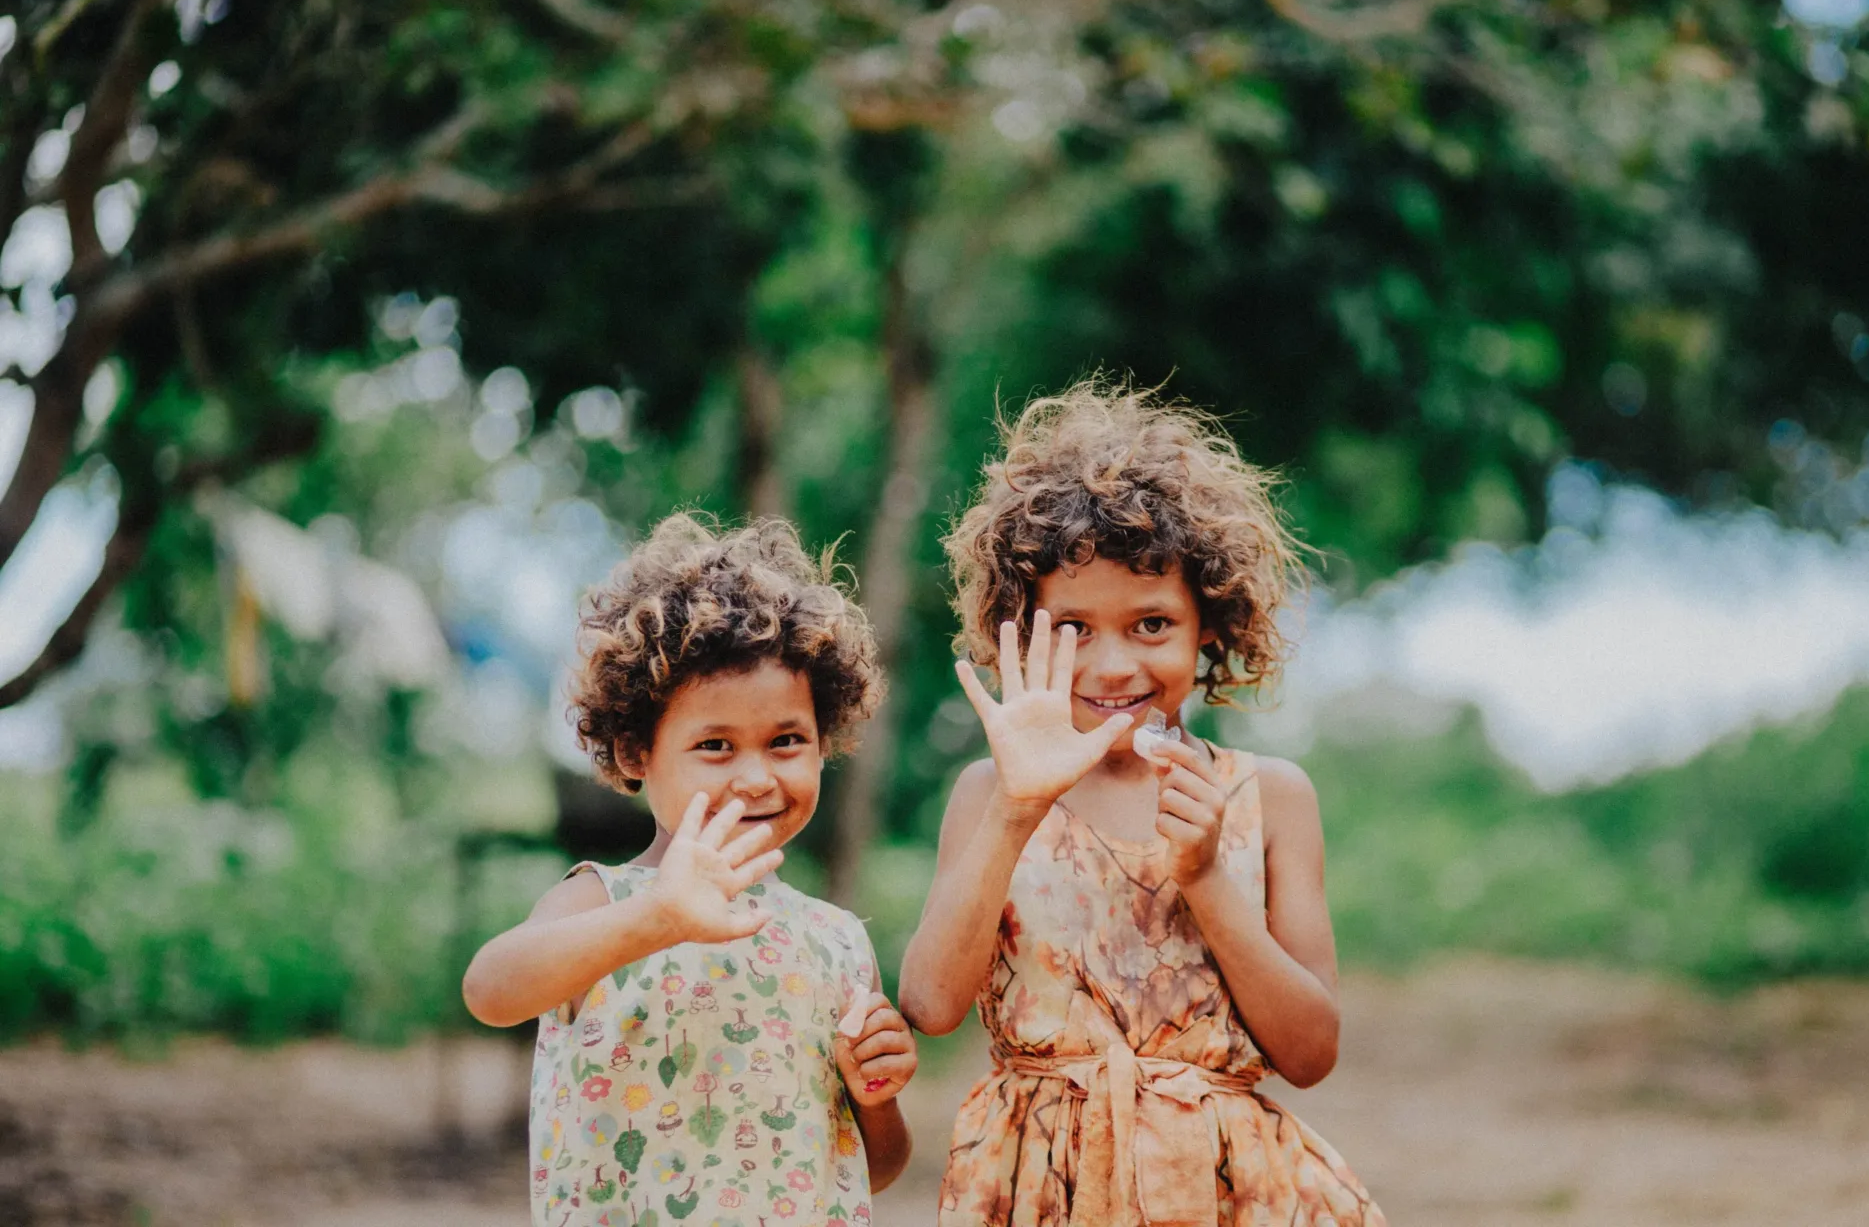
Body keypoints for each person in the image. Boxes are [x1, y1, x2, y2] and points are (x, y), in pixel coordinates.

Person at [900, 383, 1384, 1227]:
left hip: (1228, 1193)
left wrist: (1204, 877)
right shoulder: (989, 794)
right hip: (1040, 1187)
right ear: (1020, 630)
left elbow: (1311, 1053)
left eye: (1152, 624)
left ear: (1211, 627)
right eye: (1075, 628)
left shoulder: (1269, 797)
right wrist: (1017, 813)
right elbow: (932, 1006)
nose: (1114, 666)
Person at [465, 514, 917, 1227]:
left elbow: (876, 1167)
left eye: (786, 741)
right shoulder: (605, 901)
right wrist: (655, 919)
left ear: (824, 740)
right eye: (714, 745)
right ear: (638, 753)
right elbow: (490, 990)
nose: (756, 776)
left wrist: (878, 1094)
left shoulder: (836, 941)